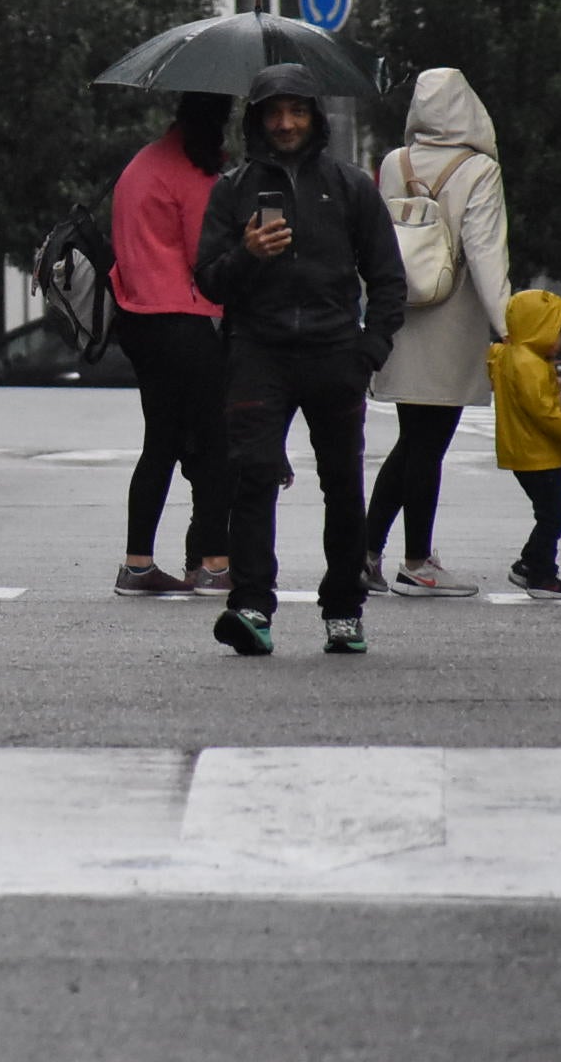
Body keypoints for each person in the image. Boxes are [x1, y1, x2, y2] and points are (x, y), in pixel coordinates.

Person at [194, 63, 407, 657]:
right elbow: (208, 281)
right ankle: (252, 606)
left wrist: (369, 349)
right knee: (253, 478)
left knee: (342, 486)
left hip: (336, 353)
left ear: (315, 117)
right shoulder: (232, 190)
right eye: (274, 112)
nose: (286, 123)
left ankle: (344, 610)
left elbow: (389, 279)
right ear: (256, 119)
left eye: (297, 111)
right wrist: (247, 252)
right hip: (257, 353)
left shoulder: (350, 186)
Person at [361, 69, 514, 597]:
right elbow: (487, 254)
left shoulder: (393, 163)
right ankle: (417, 561)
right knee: (429, 445)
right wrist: (510, 325)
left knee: (411, 442)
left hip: (403, 318)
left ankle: (367, 551)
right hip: (451, 324)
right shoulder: (479, 171)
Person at [108, 93, 235, 595]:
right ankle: (215, 564)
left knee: (159, 444)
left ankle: (137, 564)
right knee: (213, 444)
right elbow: (206, 256)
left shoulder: (143, 163)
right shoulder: (190, 172)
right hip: (184, 319)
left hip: (138, 318)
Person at [489, 289, 561, 600]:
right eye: (559, 330)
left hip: (524, 452)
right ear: (538, 328)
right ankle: (541, 573)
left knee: (549, 512)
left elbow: (494, 355)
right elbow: (542, 410)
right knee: (555, 513)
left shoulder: (511, 354)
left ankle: (530, 564)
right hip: (538, 453)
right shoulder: (529, 363)